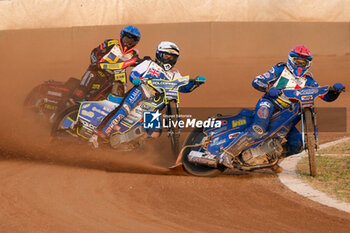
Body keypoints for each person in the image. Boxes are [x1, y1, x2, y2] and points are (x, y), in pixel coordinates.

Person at [219, 45, 345, 172]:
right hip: (269, 104)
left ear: (308, 63)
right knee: (258, 128)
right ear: (291, 59)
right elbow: (257, 81)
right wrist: (269, 89)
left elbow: (325, 96)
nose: (300, 64)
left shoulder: (309, 80)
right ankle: (227, 154)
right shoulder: (279, 70)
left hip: (289, 114)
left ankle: (269, 157)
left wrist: (335, 92)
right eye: (297, 61)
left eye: (303, 62)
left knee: (297, 144)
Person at [89, 41, 206, 148]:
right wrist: (137, 79)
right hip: (141, 91)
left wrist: (195, 83)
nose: (169, 59)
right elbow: (134, 73)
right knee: (123, 110)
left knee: (154, 133)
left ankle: (131, 144)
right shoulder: (148, 63)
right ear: (159, 54)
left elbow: (183, 88)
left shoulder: (175, 73)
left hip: (155, 104)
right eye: (166, 56)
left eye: (172, 57)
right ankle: (99, 134)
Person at [71, 25, 143, 101]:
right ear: (122, 37)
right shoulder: (110, 43)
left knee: (120, 93)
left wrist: (147, 61)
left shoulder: (134, 54)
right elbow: (94, 52)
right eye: (126, 40)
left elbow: (139, 63)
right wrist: (95, 62)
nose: (127, 43)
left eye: (131, 42)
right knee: (90, 76)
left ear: (135, 42)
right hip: (99, 70)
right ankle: (74, 99)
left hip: (114, 78)